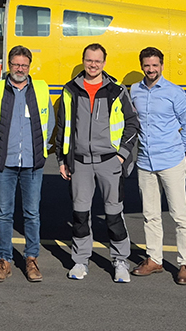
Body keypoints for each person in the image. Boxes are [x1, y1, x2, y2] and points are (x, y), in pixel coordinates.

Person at [53, 43, 139, 283]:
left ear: (104, 63)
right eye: (89, 60)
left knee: (114, 214)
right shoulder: (70, 90)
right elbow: (63, 127)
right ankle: (80, 261)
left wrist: (121, 155)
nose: (93, 65)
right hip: (79, 162)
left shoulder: (116, 90)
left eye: (98, 61)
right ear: (83, 61)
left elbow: (132, 124)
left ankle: (120, 260)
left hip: (109, 161)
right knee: (80, 214)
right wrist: (62, 158)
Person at [0, 45, 54, 282]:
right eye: (16, 64)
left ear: (29, 66)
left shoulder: (41, 89)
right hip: (5, 161)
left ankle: (31, 259)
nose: (20, 69)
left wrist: (38, 149)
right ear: (9, 65)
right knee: (4, 214)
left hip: (33, 162)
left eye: (24, 65)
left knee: (32, 213)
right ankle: (4, 260)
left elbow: (49, 122)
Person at [129, 46, 186, 285]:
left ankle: (185, 263)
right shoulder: (134, 90)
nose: (151, 69)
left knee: (180, 215)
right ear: (142, 66)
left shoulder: (174, 92)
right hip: (146, 161)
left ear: (162, 66)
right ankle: (154, 259)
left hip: (171, 162)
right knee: (150, 215)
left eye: (155, 65)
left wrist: (179, 149)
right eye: (147, 65)